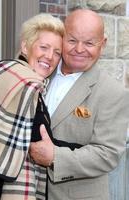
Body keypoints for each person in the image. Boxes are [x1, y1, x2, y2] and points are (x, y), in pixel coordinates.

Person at [30, 9, 129, 200]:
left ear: (103, 44)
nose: (80, 49)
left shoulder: (113, 92)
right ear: (62, 37)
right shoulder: (40, 71)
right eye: (72, 40)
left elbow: (107, 154)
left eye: (89, 43)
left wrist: (55, 157)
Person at [0, 13, 64, 200]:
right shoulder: (26, 84)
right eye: (44, 47)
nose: (50, 56)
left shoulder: (5, 71)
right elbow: (39, 140)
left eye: (57, 52)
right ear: (25, 46)